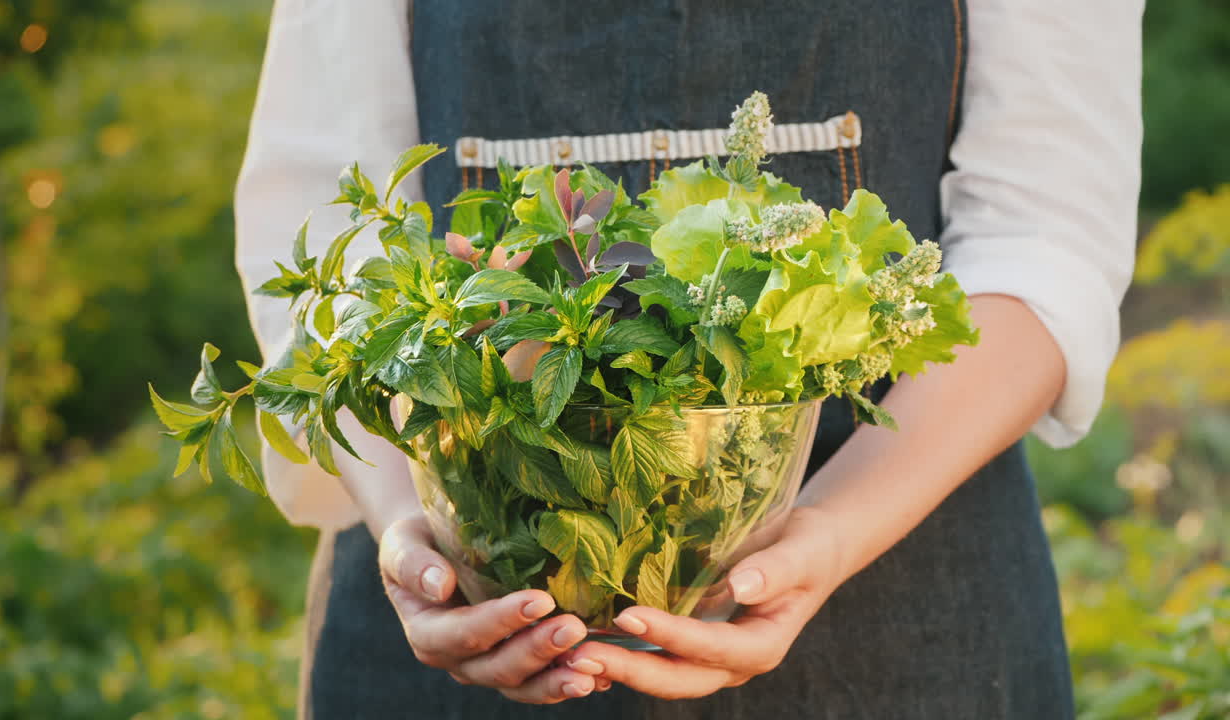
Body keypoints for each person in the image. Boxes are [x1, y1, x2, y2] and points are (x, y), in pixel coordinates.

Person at [233, 1, 1142, 717]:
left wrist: (825, 534)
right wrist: (411, 528)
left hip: (897, 611)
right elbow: (325, 226)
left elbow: (1044, 237)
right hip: (460, 600)